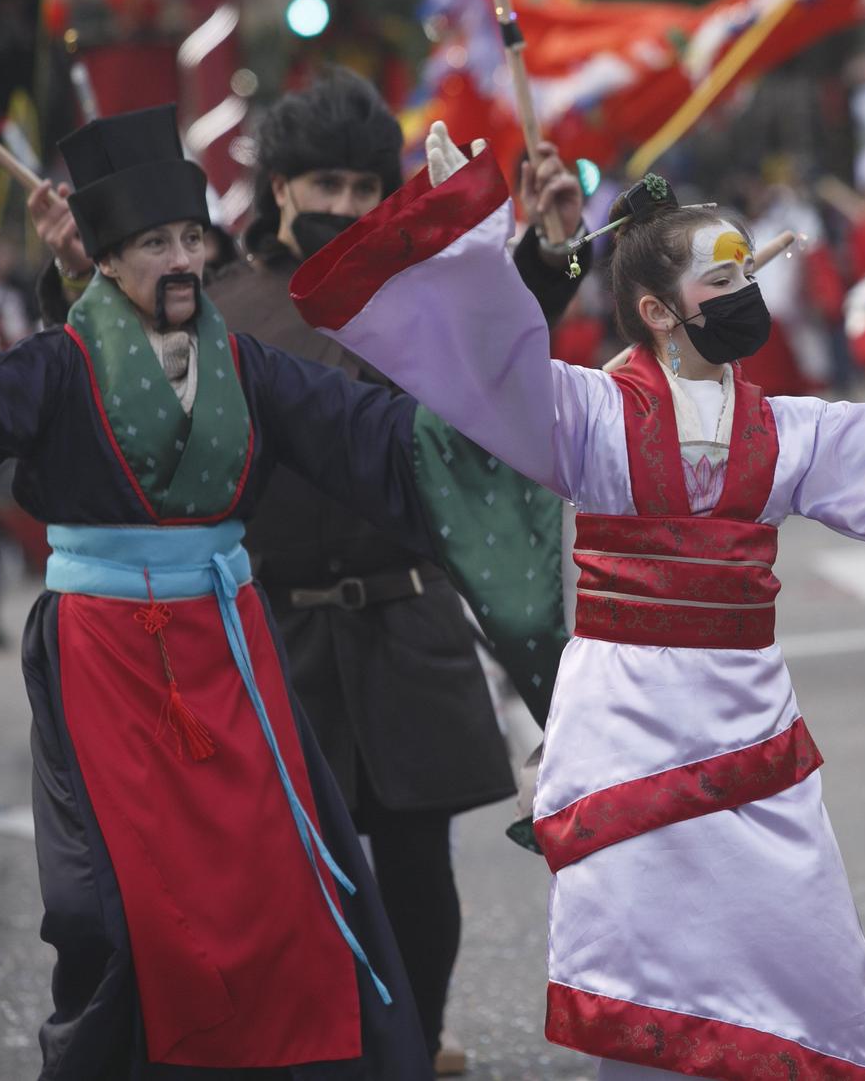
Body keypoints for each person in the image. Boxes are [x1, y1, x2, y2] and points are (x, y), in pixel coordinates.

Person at [289, 125, 865, 1081]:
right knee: (643, 988)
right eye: (719, 283)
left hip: (748, 731)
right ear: (656, 310)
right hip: (625, 735)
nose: (744, 297)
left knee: (806, 967)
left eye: (746, 275)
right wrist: (466, 248)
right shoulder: (584, 416)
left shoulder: (789, 432)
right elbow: (488, 365)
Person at [0, 105, 442, 1080]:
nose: (183, 258)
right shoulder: (60, 364)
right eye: (156, 242)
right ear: (104, 261)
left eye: (193, 236)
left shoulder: (246, 363)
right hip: (103, 659)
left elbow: (372, 437)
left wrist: (489, 377)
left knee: (276, 882)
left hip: (229, 650)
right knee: (120, 910)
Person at [205, 68, 585, 1077]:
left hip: (406, 616)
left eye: (363, 186)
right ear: (277, 186)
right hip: (278, 629)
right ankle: (334, 1047)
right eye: (319, 181)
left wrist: (547, 253)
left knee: (418, 865)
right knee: (297, 873)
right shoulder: (222, 304)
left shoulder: (416, 296)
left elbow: (504, 343)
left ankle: (413, 1045)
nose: (340, 203)